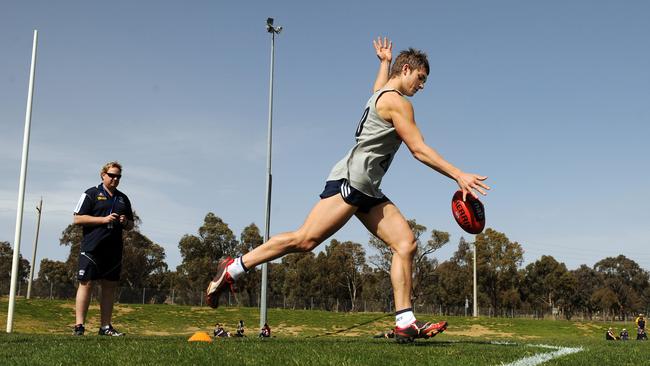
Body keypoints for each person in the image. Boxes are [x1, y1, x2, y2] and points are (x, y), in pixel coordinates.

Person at [206, 37, 489, 343]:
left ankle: (405, 322)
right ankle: (234, 267)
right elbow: (418, 149)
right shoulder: (398, 102)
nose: (422, 86)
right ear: (407, 69)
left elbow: (377, 88)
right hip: (352, 181)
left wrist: (383, 62)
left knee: (406, 243)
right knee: (305, 240)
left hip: (367, 186)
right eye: (420, 79)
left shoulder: (383, 94)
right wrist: (458, 174)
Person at [72, 161, 134, 336]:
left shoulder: (123, 198)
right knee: (86, 284)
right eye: (112, 175)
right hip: (92, 248)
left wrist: (125, 222)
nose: (115, 179)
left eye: (118, 176)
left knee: (109, 287)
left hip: (113, 250)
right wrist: (103, 220)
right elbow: (77, 219)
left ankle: (105, 327)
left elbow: (131, 225)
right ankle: (79, 326)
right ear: (103, 175)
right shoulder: (90, 194)